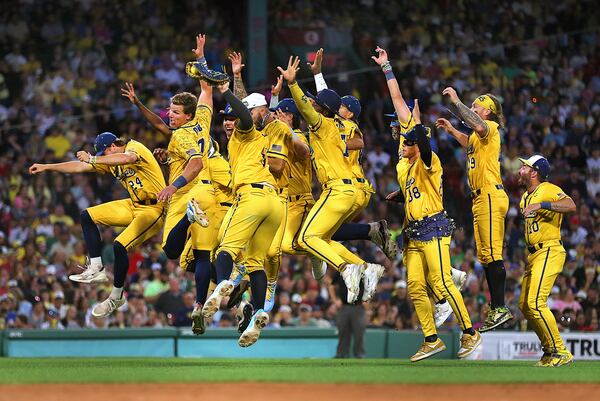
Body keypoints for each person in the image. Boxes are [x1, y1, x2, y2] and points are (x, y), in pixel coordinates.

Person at [373, 47, 481, 362]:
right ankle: (431, 339)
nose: (400, 137)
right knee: (416, 288)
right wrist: (401, 195)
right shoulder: (403, 164)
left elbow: (408, 119)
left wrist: (388, 69)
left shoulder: (428, 160)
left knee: (441, 281)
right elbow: (405, 130)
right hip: (412, 231)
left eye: (406, 137)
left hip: (434, 225)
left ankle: (470, 332)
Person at [121, 34, 219, 336]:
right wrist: (201, 58)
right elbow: (207, 87)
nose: (169, 115)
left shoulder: (180, 136)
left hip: (187, 194)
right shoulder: (202, 118)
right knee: (203, 256)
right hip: (210, 193)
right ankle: (202, 304)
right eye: (170, 110)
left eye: (175, 112)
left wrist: (173, 186)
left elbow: (195, 162)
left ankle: (188, 219)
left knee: (172, 251)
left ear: (185, 115)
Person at [278, 56, 384, 304]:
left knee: (306, 238)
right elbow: (325, 99)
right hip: (352, 189)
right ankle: (366, 268)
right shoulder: (335, 124)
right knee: (322, 238)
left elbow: (309, 106)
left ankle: (347, 268)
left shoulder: (322, 124)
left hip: (337, 190)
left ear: (322, 110)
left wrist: (292, 84)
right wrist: (317, 74)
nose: (312, 105)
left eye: (316, 104)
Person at [29, 132, 166, 317]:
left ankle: (116, 296)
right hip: (134, 204)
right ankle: (96, 268)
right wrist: (48, 167)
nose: (102, 157)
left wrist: (93, 158)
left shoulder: (134, 146)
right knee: (87, 216)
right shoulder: (110, 161)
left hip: (154, 208)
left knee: (119, 245)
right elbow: (79, 167)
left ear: (112, 147)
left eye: (104, 153)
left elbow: (127, 157)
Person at [202, 80, 284, 348]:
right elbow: (250, 108)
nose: (228, 122)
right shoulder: (261, 137)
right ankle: (259, 312)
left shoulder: (245, 132)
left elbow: (247, 113)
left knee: (225, 248)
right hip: (274, 203)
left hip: (251, 197)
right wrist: (236, 80)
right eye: (224, 118)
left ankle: (222, 285)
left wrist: (225, 90)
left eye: (231, 118)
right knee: (255, 262)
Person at [437, 86, 512, 332]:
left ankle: (500, 307)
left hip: (490, 193)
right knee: (486, 256)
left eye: (477, 106)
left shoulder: (490, 128)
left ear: (488, 112)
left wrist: (457, 103)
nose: (473, 108)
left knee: (493, 253)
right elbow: (469, 140)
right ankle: (496, 308)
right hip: (481, 197)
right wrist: (451, 130)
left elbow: (477, 126)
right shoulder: (478, 137)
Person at [517, 155, 576, 367]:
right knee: (524, 305)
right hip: (534, 254)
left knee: (535, 302)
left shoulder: (547, 188)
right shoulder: (525, 196)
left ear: (534, 172)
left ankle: (561, 351)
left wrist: (541, 205)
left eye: (524, 167)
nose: (520, 169)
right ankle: (549, 351)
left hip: (549, 249)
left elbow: (570, 205)